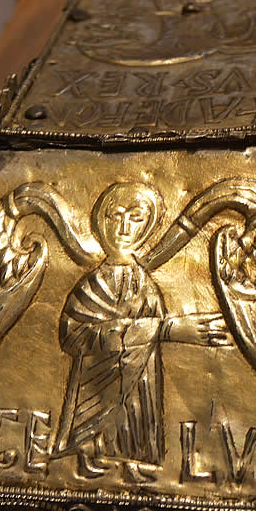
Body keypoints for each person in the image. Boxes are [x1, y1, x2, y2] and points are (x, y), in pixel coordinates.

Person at [52, 182, 230, 478]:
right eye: (115, 216)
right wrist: (165, 329)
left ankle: (133, 460)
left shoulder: (145, 284)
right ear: (101, 222)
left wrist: (151, 333)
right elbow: (71, 335)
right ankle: (88, 452)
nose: (124, 228)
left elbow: (150, 331)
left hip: (141, 378)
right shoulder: (93, 283)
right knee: (99, 413)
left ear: (147, 228)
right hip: (95, 382)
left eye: (135, 219)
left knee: (138, 411)